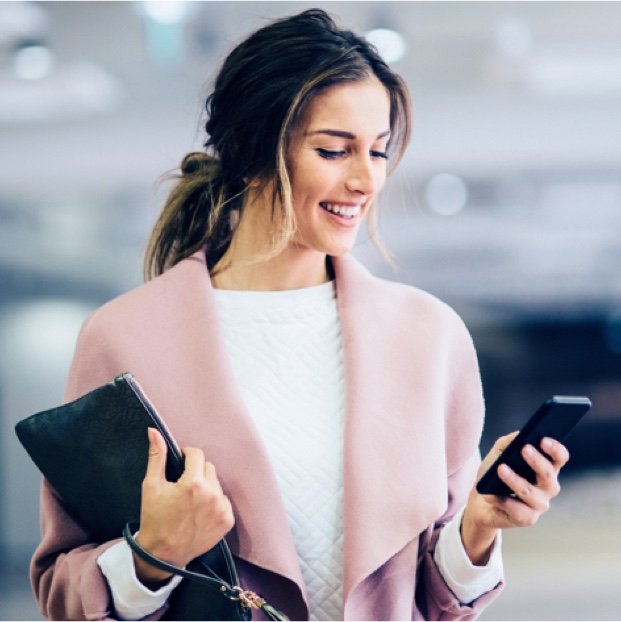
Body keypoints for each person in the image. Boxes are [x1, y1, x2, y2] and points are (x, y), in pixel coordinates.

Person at [31, 9, 570, 621]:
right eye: (335, 150)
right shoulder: (124, 339)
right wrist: (152, 555)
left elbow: (436, 602)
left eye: (379, 151)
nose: (367, 179)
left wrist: (476, 527)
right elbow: (61, 590)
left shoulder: (429, 337)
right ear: (251, 151)